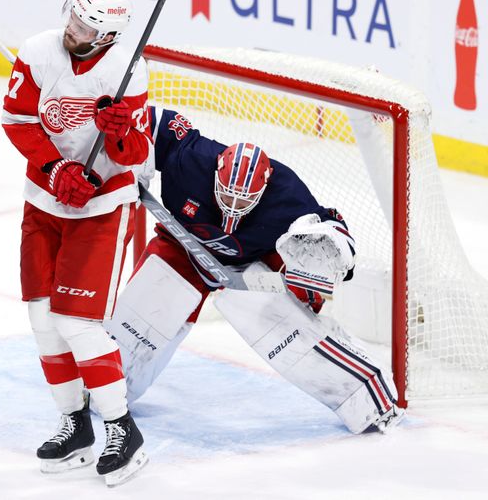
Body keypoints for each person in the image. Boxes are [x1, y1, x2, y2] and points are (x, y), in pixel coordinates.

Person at [105, 106, 405, 435]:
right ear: (216, 170)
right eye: (227, 195)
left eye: (244, 200)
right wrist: (114, 129)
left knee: (292, 340)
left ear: (265, 186)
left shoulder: (288, 193)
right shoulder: (191, 156)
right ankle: (104, 395)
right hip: (182, 247)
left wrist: (331, 252)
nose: (233, 206)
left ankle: (368, 402)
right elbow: (146, 119)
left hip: (248, 269)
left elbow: (330, 227)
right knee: (139, 325)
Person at [1, 0, 151, 487]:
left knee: (77, 322)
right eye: (72, 18)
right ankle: (75, 423)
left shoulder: (127, 71)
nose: (73, 29)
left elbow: (136, 155)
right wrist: (54, 169)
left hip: (102, 207)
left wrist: (120, 131)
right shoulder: (39, 50)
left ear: (106, 35)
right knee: (43, 319)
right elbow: (18, 121)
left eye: (85, 27)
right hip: (43, 203)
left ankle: (121, 428)